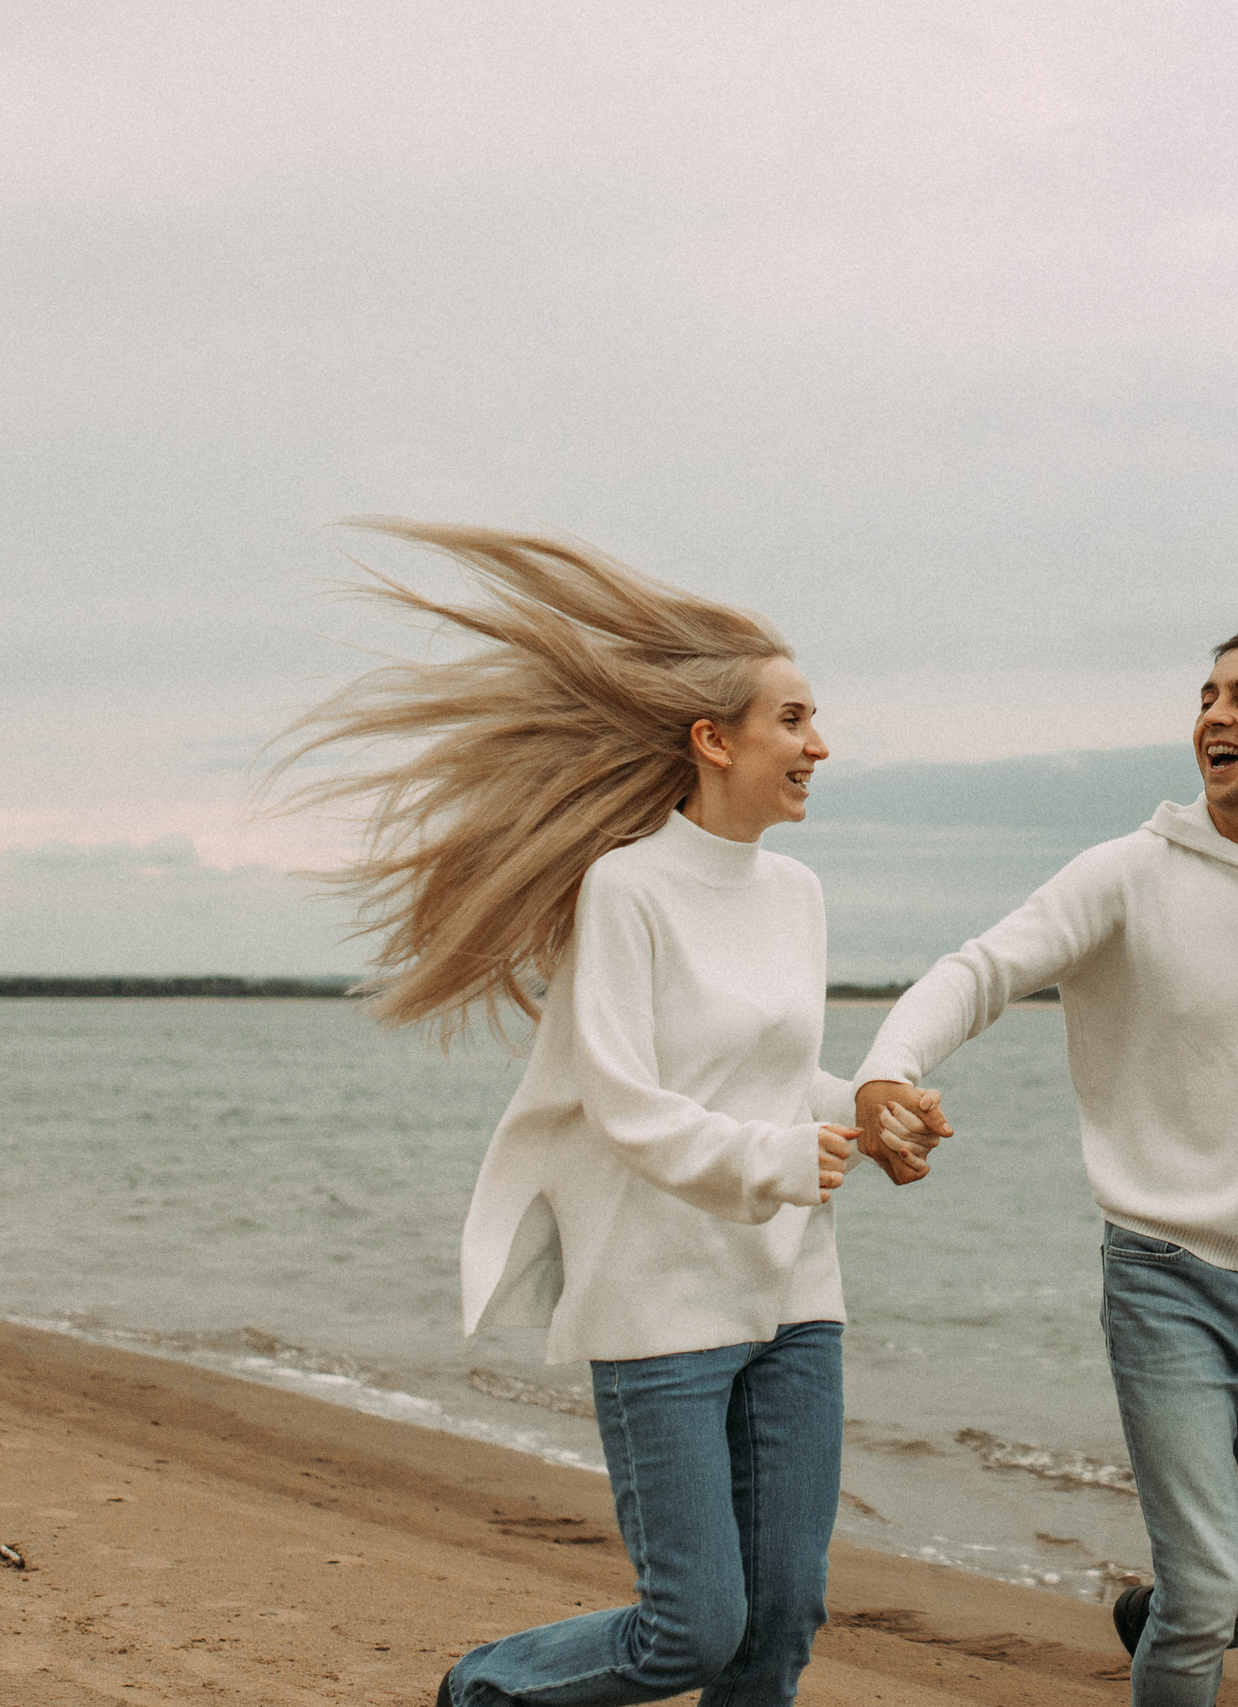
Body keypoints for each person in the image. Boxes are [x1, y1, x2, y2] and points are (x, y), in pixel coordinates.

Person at [271, 522, 912, 1707]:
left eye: (815, 721)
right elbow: (628, 1102)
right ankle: (485, 1691)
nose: (820, 744)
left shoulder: (798, 893)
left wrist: (866, 1110)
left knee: (778, 1630)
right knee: (691, 1633)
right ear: (714, 741)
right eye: (794, 721)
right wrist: (781, 1151)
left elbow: (775, 1084)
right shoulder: (626, 889)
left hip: (794, 1300)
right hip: (657, 1304)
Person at [847, 632, 1238, 1707]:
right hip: (1164, 1280)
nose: (1214, 716)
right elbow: (981, 969)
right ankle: (1180, 1621)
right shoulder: (1125, 875)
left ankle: (1154, 1621)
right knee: (1204, 1596)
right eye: (1205, 696)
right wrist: (887, 1072)